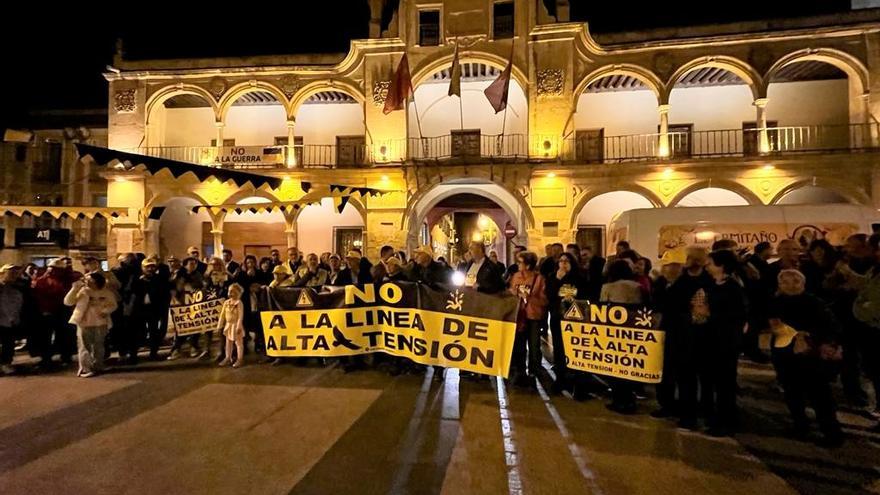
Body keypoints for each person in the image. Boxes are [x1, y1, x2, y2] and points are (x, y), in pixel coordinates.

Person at [769, 269, 844, 447]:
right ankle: (800, 425)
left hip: (811, 355)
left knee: (820, 395)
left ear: (803, 284)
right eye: (785, 282)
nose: (791, 285)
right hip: (785, 354)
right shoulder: (775, 303)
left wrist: (810, 338)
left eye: (795, 282)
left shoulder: (814, 302)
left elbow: (830, 326)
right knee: (792, 393)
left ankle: (831, 432)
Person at [703, 249, 748, 437]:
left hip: (726, 340)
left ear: (721, 266)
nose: (707, 266)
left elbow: (736, 315)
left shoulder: (732, 287)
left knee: (725, 382)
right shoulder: (714, 284)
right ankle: (717, 416)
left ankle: (727, 420)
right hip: (714, 338)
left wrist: (710, 314)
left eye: (710, 262)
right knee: (715, 380)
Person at [600, 260, 643, 414]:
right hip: (632, 329)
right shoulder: (637, 287)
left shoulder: (608, 287)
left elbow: (603, 307)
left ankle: (619, 399)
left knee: (616, 365)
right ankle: (630, 399)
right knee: (629, 364)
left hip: (613, 330)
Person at [650, 249, 687, 418]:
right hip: (662, 333)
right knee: (663, 371)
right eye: (667, 266)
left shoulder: (686, 284)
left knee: (682, 372)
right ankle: (666, 403)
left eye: (674, 266)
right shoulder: (660, 284)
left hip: (682, 333)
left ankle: (683, 404)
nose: (669, 270)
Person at [545, 252, 586, 394]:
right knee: (559, 348)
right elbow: (550, 295)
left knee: (574, 348)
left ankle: (577, 381)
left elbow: (580, 293)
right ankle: (560, 378)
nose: (563, 264)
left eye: (566, 261)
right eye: (561, 261)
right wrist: (557, 280)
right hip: (558, 316)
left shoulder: (578, 277)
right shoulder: (552, 277)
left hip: (575, 318)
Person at [64, 272, 117, 378]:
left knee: (99, 345)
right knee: (84, 346)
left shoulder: (106, 292)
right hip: (84, 322)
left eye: (90, 279)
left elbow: (113, 304)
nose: (86, 281)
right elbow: (68, 302)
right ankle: (85, 368)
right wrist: (74, 289)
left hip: (101, 322)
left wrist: (105, 311)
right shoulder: (82, 291)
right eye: (86, 279)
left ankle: (98, 365)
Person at [508, 251, 548, 388]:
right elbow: (511, 292)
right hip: (519, 315)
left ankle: (534, 371)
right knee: (519, 344)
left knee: (534, 345)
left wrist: (530, 297)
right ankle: (520, 371)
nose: (518, 264)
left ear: (528, 264)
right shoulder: (516, 277)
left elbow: (544, 300)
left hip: (533, 315)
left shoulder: (538, 278)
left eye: (520, 262)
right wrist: (513, 294)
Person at [32, 258, 75, 368]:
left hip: (62, 310)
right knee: (46, 336)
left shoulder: (66, 281)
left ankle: (65, 356)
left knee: (64, 334)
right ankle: (46, 357)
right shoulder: (43, 281)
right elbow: (39, 296)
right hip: (48, 311)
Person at [131, 258, 172, 361]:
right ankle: (134, 354)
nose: (150, 269)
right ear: (142, 268)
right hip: (140, 309)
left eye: (152, 266)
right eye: (147, 267)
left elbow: (164, 293)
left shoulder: (159, 279)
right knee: (138, 332)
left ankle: (153, 352)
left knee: (154, 331)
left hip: (154, 309)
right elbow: (132, 292)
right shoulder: (137, 279)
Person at [0, 265, 24, 375]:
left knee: (8, 343)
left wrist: (16, 318)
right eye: (11, 272)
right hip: (1, 319)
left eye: (15, 272)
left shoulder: (18, 288)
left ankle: (6, 363)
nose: (14, 274)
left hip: (10, 321)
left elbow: (17, 304)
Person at [217, 283, 245, 368]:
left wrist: (239, 326)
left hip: (235, 325)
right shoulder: (226, 302)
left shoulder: (239, 303)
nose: (230, 293)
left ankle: (240, 359)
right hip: (228, 325)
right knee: (228, 342)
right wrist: (219, 325)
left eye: (232, 291)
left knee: (238, 343)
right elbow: (222, 315)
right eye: (229, 291)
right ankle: (228, 357)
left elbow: (240, 315)